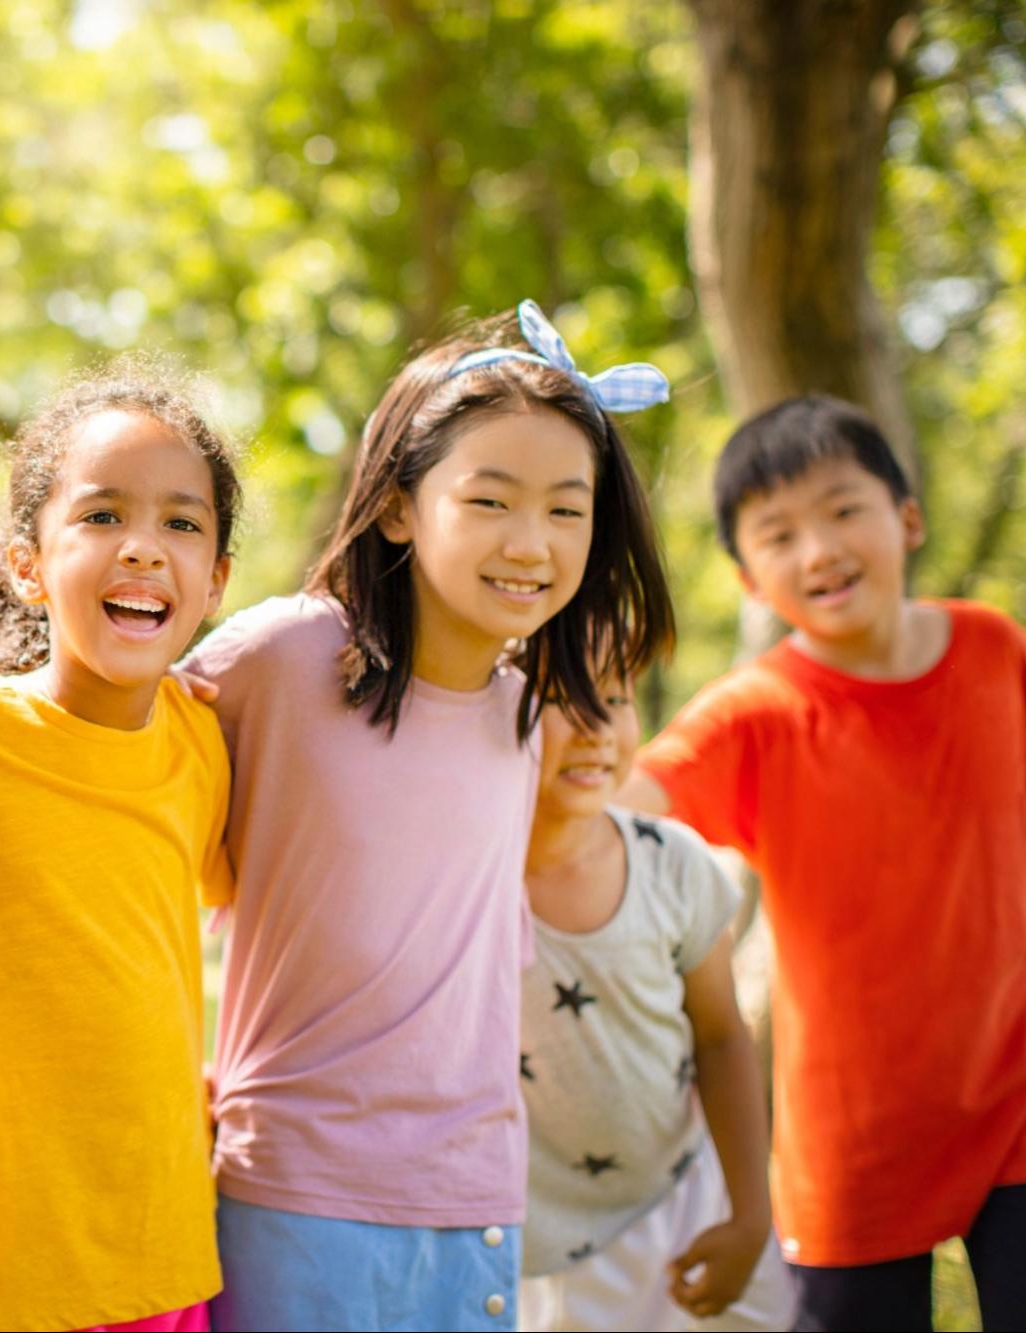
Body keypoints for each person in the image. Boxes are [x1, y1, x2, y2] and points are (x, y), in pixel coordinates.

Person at [187, 301, 676, 1331]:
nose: (530, 543)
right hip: (294, 1197)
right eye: (489, 500)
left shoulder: (525, 716)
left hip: (477, 1208)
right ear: (400, 506)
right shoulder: (283, 658)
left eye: (565, 508)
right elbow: (112, 762)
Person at [623, 394, 1026, 1331]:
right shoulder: (750, 711)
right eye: (778, 534)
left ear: (905, 518)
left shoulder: (994, 648)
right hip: (854, 1135)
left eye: (842, 510)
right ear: (749, 579)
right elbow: (626, 802)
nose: (818, 549)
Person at [0, 362, 238, 1331]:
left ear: (217, 580)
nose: (144, 548)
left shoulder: (199, 740)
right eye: (102, 516)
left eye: (182, 524)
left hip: (167, 1249)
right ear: (27, 563)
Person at [516, 663, 795, 1331]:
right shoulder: (461, 879)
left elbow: (721, 1035)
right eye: (561, 701)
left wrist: (750, 1213)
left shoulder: (673, 863)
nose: (596, 729)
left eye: (613, 698)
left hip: (687, 1202)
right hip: (538, 1244)